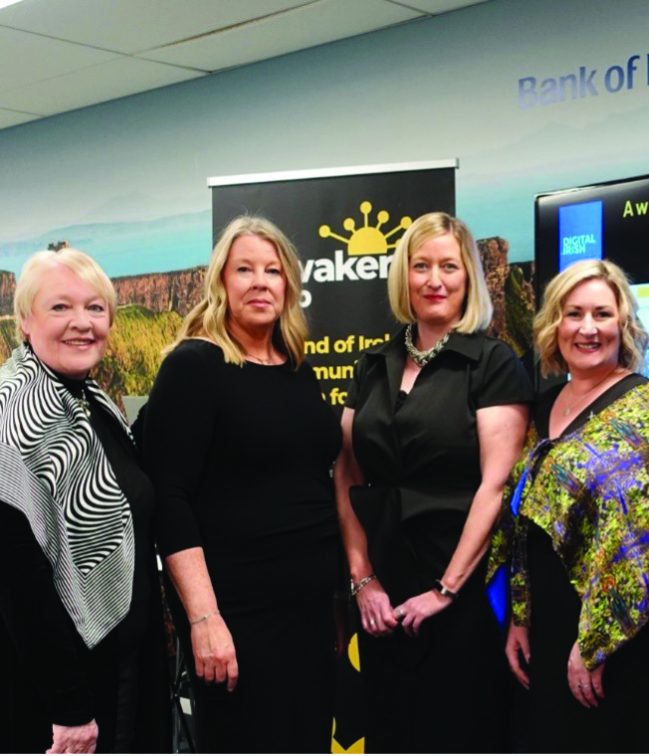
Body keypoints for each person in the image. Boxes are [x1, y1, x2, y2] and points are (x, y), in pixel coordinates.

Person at [139, 216, 343, 753]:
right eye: (245, 269)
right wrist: (205, 619)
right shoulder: (195, 366)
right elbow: (170, 497)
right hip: (239, 621)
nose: (260, 282)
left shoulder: (295, 366)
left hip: (310, 615)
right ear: (221, 283)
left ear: (289, 284)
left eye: (273, 271)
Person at [334, 212, 531, 753]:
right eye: (421, 266)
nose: (434, 279)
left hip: (462, 598)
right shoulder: (373, 364)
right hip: (383, 603)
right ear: (405, 277)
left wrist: (445, 591)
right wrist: (363, 580)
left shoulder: (493, 364)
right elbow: (348, 473)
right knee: (392, 734)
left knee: (460, 733)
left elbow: (496, 486)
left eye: (449, 266)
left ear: (468, 277)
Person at [489, 259, 649, 753]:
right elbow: (526, 513)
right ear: (555, 325)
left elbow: (631, 534)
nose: (587, 328)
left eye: (602, 314)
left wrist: (596, 642)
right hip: (546, 614)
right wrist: (521, 617)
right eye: (574, 314)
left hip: (610, 628)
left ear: (624, 325)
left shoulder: (646, 402)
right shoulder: (546, 402)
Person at [0, 249, 169, 754]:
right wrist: (69, 709)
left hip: (120, 672)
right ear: (25, 321)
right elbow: (18, 586)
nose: (82, 323)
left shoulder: (91, 404)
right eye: (60, 308)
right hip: (56, 702)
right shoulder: (16, 421)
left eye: (95, 308)